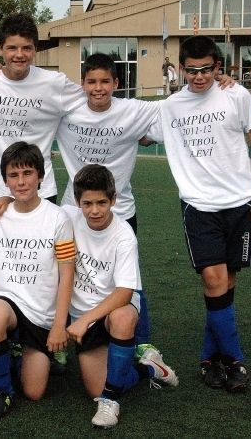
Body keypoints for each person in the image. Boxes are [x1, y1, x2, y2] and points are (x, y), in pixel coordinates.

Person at [146, 35, 251, 393]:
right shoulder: (170, 106)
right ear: (181, 70)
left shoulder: (237, 95)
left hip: (241, 202)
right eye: (191, 71)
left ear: (219, 68)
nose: (199, 77)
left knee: (227, 281)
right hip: (199, 205)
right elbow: (138, 132)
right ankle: (234, 358)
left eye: (206, 70)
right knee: (215, 280)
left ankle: (209, 358)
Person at [55, 53, 161, 354]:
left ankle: (142, 342)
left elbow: (179, 109)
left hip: (121, 211)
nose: (98, 88)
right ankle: (61, 334)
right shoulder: (68, 110)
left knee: (128, 277)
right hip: (74, 210)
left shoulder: (133, 111)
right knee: (64, 270)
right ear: (82, 84)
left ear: (116, 83)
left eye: (105, 81)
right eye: (91, 81)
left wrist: (219, 84)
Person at [63, 165, 178, 429]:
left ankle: (110, 402)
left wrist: (84, 321)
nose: (94, 210)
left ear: (113, 199)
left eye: (102, 202)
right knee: (95, 387)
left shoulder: (124, 235)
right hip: (85, 316)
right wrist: (3, 201)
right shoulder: (67, 216)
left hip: (112, 309)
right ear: (77, 202)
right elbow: (33, 206)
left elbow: (125, 292)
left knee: (123, 316)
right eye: (87, 203)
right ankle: (150, 368)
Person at [0, 142, 76, 420]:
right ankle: (1, 391)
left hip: (40, 315)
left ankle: (16, 353)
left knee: (34, 392)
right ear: (5, 180)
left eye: (27, 173)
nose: (21, 182)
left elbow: (67, 271)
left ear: (41, 176)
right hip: (6, 303)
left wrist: (59, 325)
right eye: (13, 175)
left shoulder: (58, 218)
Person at [0, 13, 85, 211]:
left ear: (35, 49)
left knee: (42, 243)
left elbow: (93, 100)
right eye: (12, 48)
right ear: (0, 49)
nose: (19, 54)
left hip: (40, 188)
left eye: (26, 48)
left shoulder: (54, 83)